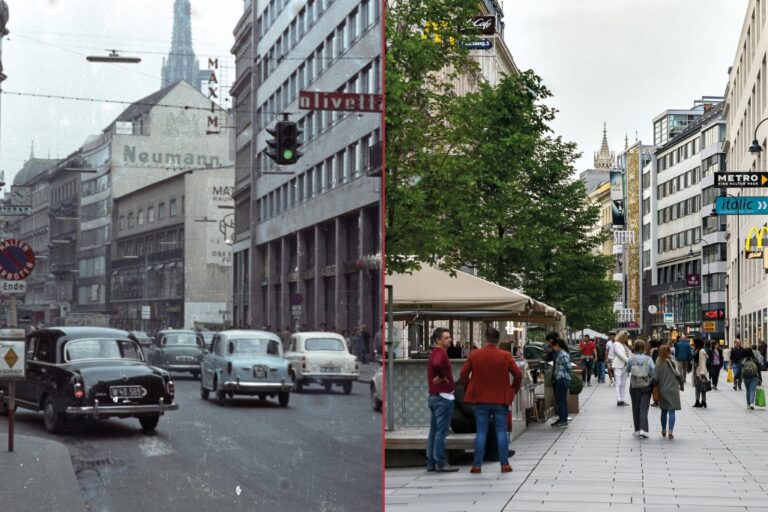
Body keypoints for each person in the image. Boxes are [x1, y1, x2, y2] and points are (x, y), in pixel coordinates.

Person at [459, 327, 522, 474]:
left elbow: (463, 373)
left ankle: (477, 465)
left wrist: (469, 388)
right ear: (498, 340)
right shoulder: (506, 356)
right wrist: (512, 391)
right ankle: (504, 464)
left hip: (480, 399)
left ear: (485, 339)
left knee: (481, 432)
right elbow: (518, 375)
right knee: (501, 431)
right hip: (500, 399)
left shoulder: (475, 355)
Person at [426, 328, 459, 473]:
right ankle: (440, 462)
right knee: (442, 432)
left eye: (449, 337)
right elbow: (438, 364)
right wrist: (443, 376)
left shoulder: (434, 352)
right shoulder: (440, 353)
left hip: (434, 396)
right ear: (438, 340)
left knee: (434, 431)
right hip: (443, 397)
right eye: (446, 338)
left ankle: (431, 463)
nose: (449, 340)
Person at [626, 339, 655, 438]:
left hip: (634, 386)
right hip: (646, 385)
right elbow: (653, 371)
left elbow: (628, 370)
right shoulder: (649, 359)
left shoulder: (631, 359)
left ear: (634, 347)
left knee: (635, 407)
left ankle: (637, 430)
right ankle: (644, 429)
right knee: (644, 408)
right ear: (643, 348)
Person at [653, 345, 684, 440]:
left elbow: (655, 378)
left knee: (663, 411)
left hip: (663, 390)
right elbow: (680, 375)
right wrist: (682, 386)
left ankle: (663, 430)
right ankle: (670, 431)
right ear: (669, 351)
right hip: (673, 389)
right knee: (672, 411)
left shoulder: (658, 362)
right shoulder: (674, 362)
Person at [549, 335, 571, 428]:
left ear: (557, 345)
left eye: (553, 346)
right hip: (561, 378)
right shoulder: (561, 354)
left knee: (560, 400)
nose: (553, 348)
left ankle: (563, 420)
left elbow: (569, 366)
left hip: (562, 379)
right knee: (562, 400)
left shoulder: (563, 354)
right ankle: (562, 419)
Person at [612, 331, 630, 406]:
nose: (625, 338)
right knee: (618, 383)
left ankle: (622, 399)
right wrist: (629, 361)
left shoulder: (625, 345)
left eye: (626, 337)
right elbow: (620, 355)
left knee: (623, 384)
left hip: (625, 366)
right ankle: (618, 400)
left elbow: (630, 354)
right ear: (620, 337)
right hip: (618, 366)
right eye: (624, 337)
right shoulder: (616, 344)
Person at [693, 338, 709, 408]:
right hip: (697, 370)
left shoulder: (701, 351)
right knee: (698, 386)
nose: (693, 344)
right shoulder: (697, 350)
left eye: (694, 343)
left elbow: (703, 362)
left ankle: (702, 401)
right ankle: (699, 401)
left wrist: (702, 373)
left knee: (702, 387)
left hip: (700, 371)